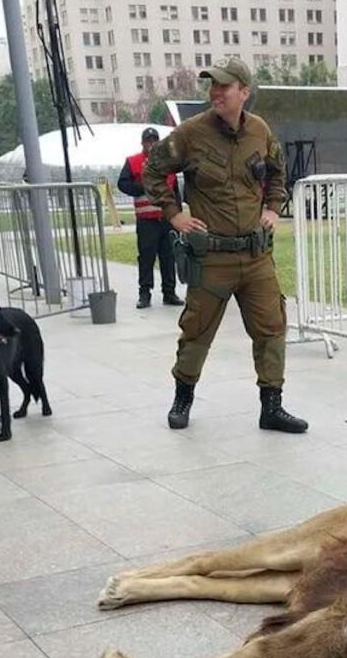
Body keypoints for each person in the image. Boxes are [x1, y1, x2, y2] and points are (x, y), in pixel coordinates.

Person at [142, 57, 307, 433]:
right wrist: (174, 214)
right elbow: (153, 170)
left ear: (243, 92)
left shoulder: (260, 131)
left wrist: (272, 208)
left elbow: (278, 172)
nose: (215, 92)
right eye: (212, 86)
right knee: (197, 332)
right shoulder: (190, 133)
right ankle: (182, 399)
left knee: (271, 330)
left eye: (224, 86)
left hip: (255, 255)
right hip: (211, 257)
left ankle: (272, 406)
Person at [117, 126, 182, 309]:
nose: (151, 144)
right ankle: (144, 293)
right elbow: (122, 184)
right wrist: (141, 188)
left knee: (168, 257)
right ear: (143, 143)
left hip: (167, 219)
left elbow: (175, 191)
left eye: (154, 141)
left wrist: (177, 214)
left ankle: (169, 292)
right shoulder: (133, 162)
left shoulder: (168, 163)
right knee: (146, 257)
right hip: (146, 220)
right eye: (148, 141)